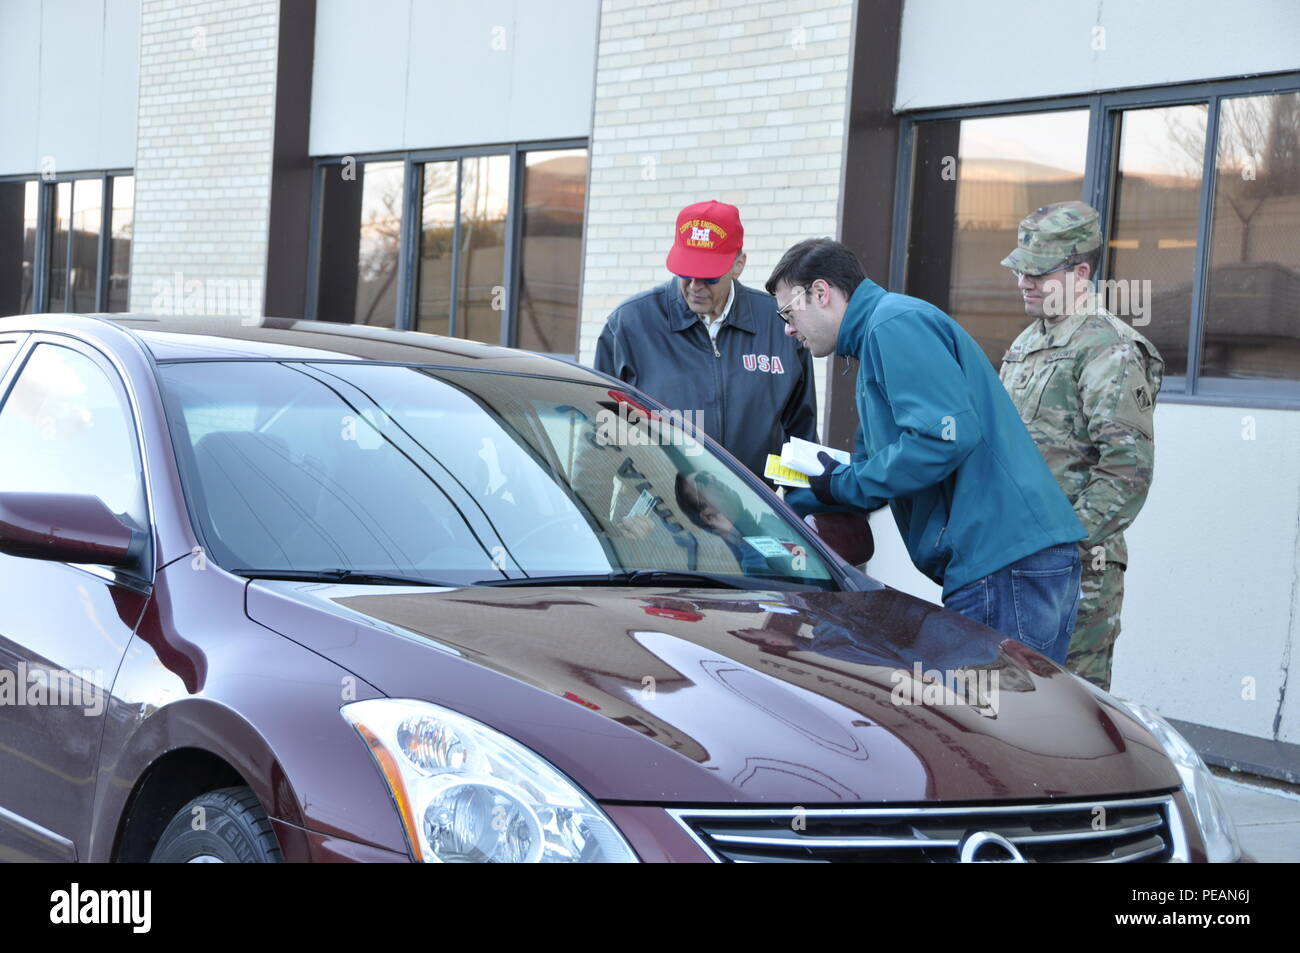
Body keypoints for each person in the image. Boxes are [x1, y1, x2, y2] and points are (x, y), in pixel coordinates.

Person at [767, 238, 1086, 663]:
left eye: (789, 312)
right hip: (1004, 562)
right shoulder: (878, 337)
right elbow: (873, 471)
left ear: (821, 293)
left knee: (996, 721)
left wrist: (842, 481)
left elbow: (943, 438)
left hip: (1002, 561)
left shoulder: (892, 325)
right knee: (1008, 718)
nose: (789, 329)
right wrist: (797, 497)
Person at [999, 201, 1164, 690]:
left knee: (1074, 716)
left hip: (1076, 570)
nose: (1024, 282)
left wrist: (1063, 543)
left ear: (1080, 273)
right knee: (1015, 710)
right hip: (1017, 562)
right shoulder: (1027, 343)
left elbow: (1126, 470)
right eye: (1020, 271)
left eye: (1037, 272)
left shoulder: (1107, 346)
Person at [594, 200, 818, 482]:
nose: (695, 286)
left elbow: (802, 439)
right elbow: (599, 436)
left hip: (750, 512)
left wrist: (806, 514)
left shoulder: (780, 326)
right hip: (654, 515)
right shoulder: (628, 326)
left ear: (738, 265)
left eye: (709, 276)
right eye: (686, 273)